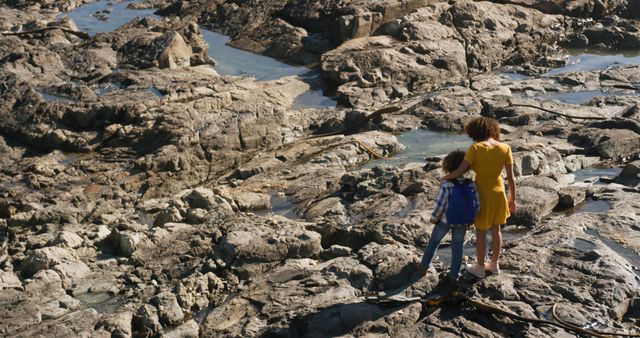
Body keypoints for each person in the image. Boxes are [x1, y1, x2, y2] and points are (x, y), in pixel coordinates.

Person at [442, 117, 517, 278]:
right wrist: (513, 198)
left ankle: (480, 266)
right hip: (499, 192)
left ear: (475, 132)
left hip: (482, 192)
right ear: (493, 130)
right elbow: (511, 178)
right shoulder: (505, 148)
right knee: (497, 229)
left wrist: (445, 178)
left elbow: (460, 171)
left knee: (481, 230)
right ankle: (495, 265)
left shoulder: (475, 148)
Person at [414, 150, 480, 282]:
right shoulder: (471, 184)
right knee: (457, 248)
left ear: (448, 166)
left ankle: (423, 267)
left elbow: (441, 203)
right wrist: (474, 219)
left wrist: (434, 217)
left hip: (445, 220)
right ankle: (454, 275)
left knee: (433, 243)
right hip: (462, 221)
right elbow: (477, 203)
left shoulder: (447, 184)